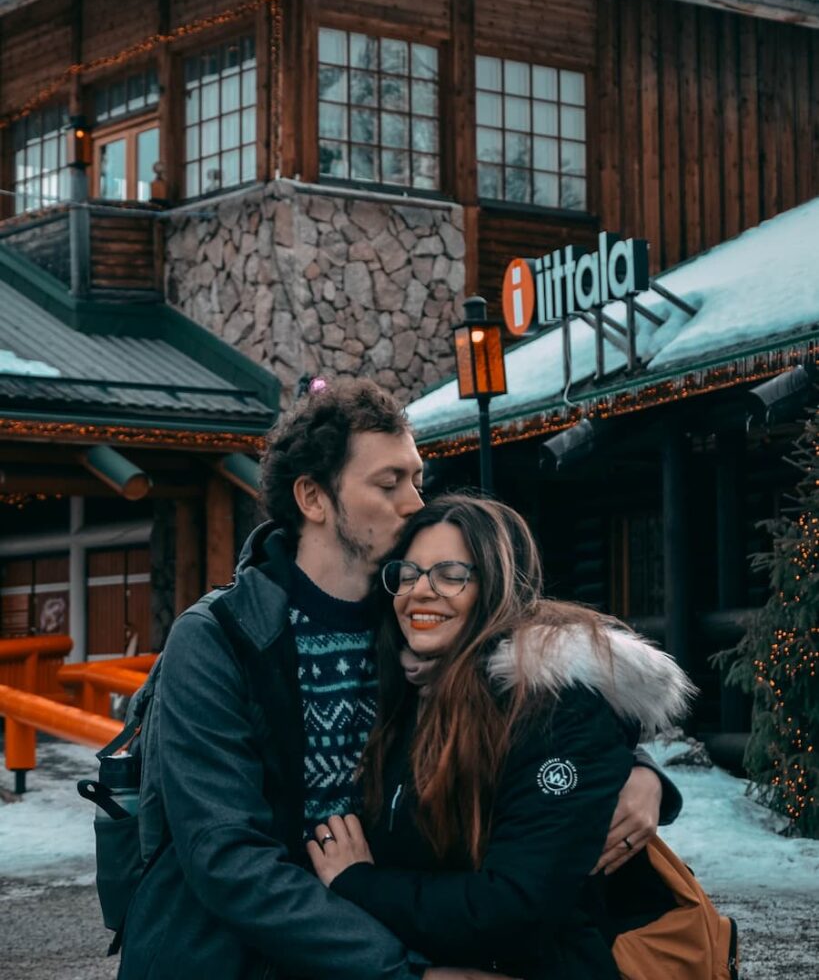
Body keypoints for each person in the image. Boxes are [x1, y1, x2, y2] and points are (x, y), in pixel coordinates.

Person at [118, 379, 678, 980]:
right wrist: (403, 970)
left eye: (415, 478)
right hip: (235, 957)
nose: (415, 500)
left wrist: (639, 771)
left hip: (390, 933)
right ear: (313, 497)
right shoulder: (219, 638)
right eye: (389, 484)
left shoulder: (412, 622)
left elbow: (541, 696)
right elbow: (227, 858)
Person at [307, 494, 696, 979]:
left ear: (496, 586)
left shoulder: (551, 709)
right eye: (408, 574)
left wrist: (360, 884)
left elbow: (517, 905)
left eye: (451, 575)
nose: (420, 592)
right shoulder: (411, 692)